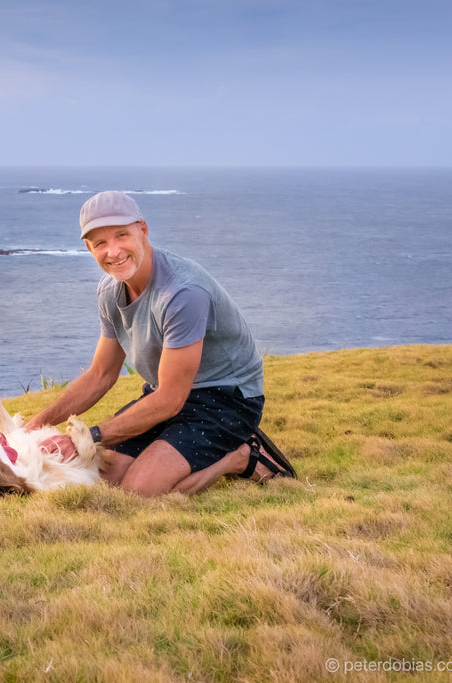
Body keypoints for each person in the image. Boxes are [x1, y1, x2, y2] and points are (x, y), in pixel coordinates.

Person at [24, 190, 293, 497]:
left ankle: (239, 457)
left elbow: (170, 399)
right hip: (164, 394)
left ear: (143, 230)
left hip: (226, 398)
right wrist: (38, 423)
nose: (113, 251)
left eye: (121, 235)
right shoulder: (110, 292)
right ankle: (173, 449)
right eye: (100, 243)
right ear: (89, 248)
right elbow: (101, 374)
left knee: (138, 492)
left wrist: (86, 438)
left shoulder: (182, 293)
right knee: (105, 481)